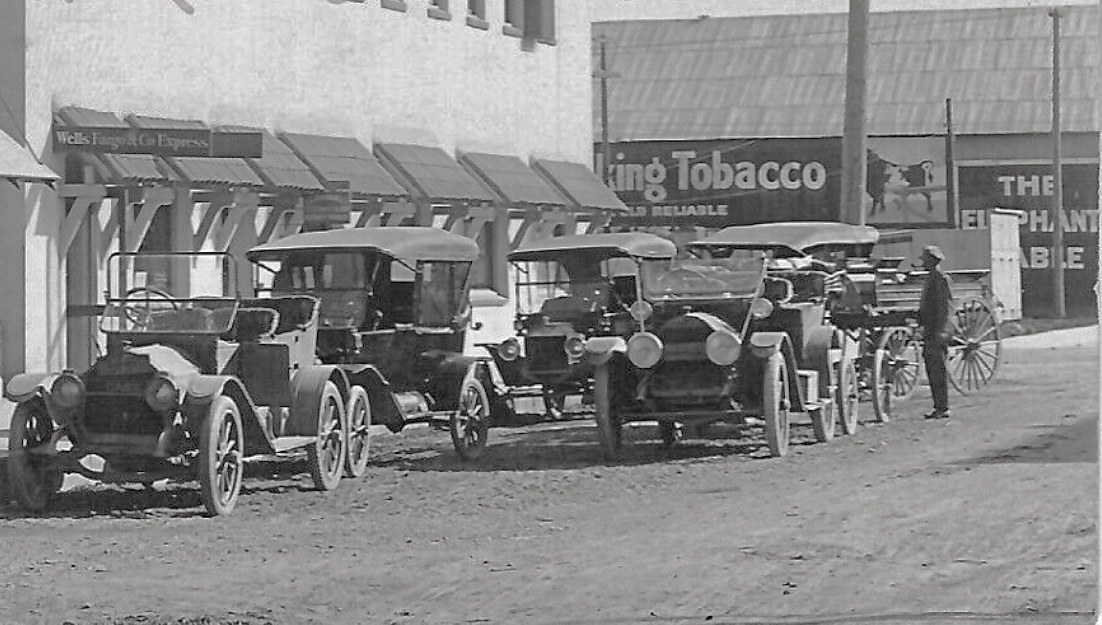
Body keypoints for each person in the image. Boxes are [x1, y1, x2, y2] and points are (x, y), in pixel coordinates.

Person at [917, 245, 954, 419]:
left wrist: (942, 331)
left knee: (938, 369)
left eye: (925, 259)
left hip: (937, 330)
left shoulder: (941, 279)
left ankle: (942, 407)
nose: (923, 263)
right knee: (932, 368)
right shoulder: (932, 277)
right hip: (931, 329)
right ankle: (938, 406)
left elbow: (945, 307)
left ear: (932, 260)